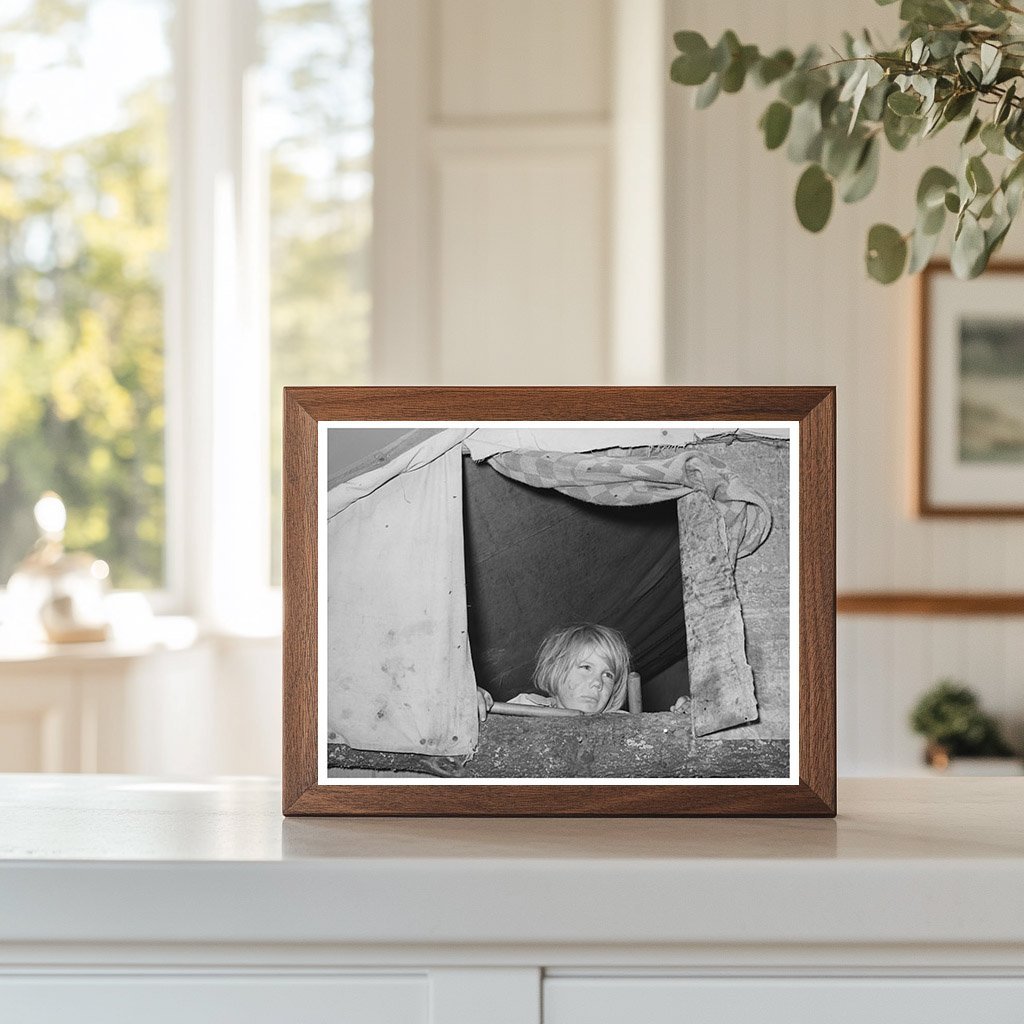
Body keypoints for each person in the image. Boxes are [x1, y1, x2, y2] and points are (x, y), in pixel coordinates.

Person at [476, 623, 637, 721]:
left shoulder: (620, 723)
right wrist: (475, 702)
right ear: (556, 670)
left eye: (608, 675)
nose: (597, 683)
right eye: (586, 667)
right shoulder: (525, 707)